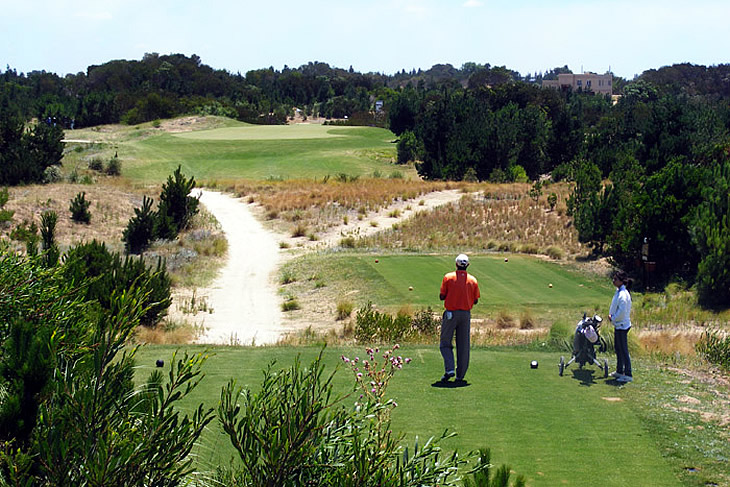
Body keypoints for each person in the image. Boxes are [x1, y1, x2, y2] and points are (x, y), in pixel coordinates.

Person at [439, 253, 480, 383]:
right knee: (463, 345)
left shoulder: (448, 277)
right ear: (467, 265)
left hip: (451, 313)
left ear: (456, 264)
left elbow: (442, 296)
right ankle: (460, 376)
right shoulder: (473, 280)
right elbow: (476, 300)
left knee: (445, 342)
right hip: (466, 315)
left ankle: (450, 368)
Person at [608, 270, 633, 383]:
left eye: (615, 279)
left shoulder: (623, 294)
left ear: (621, 281)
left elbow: (622, 312)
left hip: (622, 325)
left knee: (623, 350)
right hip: (618, 325)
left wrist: (613, 318)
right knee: (618, 348)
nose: (613, 281)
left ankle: (628, 373)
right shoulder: (619, 291)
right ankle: (619, 370)